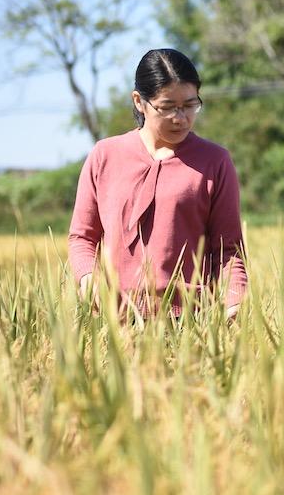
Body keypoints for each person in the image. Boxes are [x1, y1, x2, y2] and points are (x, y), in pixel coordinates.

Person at [68, 49, 247, 318]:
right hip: (113, 321)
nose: (180, 117)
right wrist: (88, 278)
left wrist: (235, 302)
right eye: (167, 107)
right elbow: (82, 237)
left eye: (190, 105)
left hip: (189, 322)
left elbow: (229, 250)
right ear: (139, 102)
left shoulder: (215, 161)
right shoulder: (104, 155)